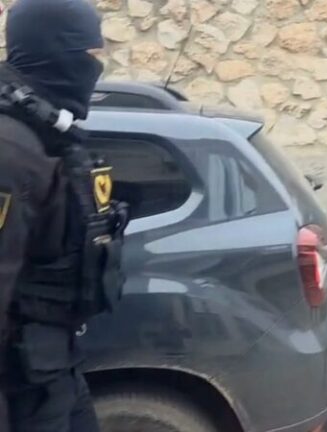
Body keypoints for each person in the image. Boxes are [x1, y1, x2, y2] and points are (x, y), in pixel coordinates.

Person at [0, 0, 129, 431]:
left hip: (56, 369)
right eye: (88, 54)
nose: (96, 68)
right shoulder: (9, 150)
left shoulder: (45, 132)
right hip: (20, 387)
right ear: (54, 51)